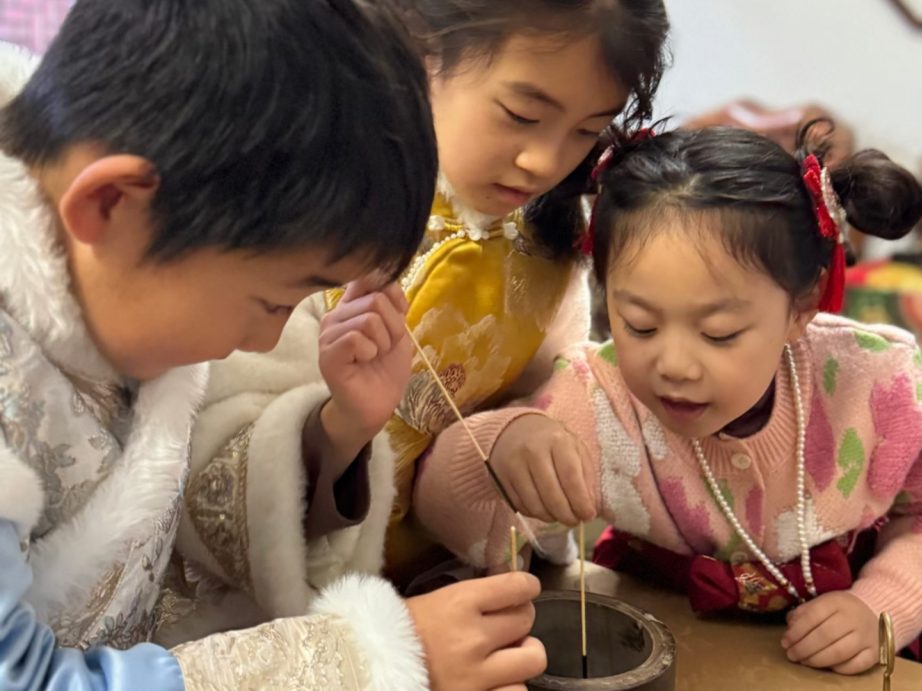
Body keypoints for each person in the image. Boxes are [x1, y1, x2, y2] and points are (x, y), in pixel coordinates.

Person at [0, 1, 544, 688]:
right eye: (273, 300)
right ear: (112, 204)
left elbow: (158, 526)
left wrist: (337, 432)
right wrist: (368, 662)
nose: (264, 336)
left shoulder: (123, 279)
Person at [415, 126, 922, 685]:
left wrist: (883, 604)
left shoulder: (874, 385)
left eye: (720, 333)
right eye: (640, 325)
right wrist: (502, 445)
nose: (674, 364)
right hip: (659, 635)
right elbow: (456, 518)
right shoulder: (596, 400)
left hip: (848, 651)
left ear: (802, 305)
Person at [182, 0, 672, 599]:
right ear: (419, 55)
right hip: (294, 613)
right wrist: (338, 431)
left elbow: (550, 405)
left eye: (585, 130)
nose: (544, 161)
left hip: (457, 584)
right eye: (521, 114)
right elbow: (209, 465)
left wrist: (526, 437)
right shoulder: (311, 206)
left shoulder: (550, 244)